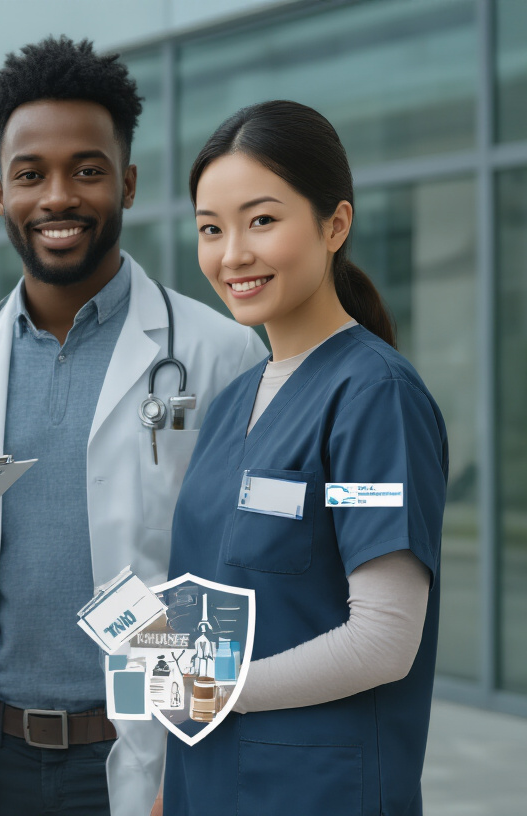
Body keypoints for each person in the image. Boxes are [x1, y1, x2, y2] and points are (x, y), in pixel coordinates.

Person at [0, 37, 267, 816]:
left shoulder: (217, 354)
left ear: (129, 183)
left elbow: (242, 569)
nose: (58, 196)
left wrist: (187, 758)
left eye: (87, 169)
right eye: (30, 174)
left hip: (139, 758)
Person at [160, 100, 447, 816]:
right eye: (210, 230)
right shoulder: (232, 404)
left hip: (319, 791)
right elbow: (215, 601)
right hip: (211, 780)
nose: (232, 256)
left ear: (334, 224)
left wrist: (220, 694)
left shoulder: (374, 397)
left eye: (262, 220)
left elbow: (385, 638)